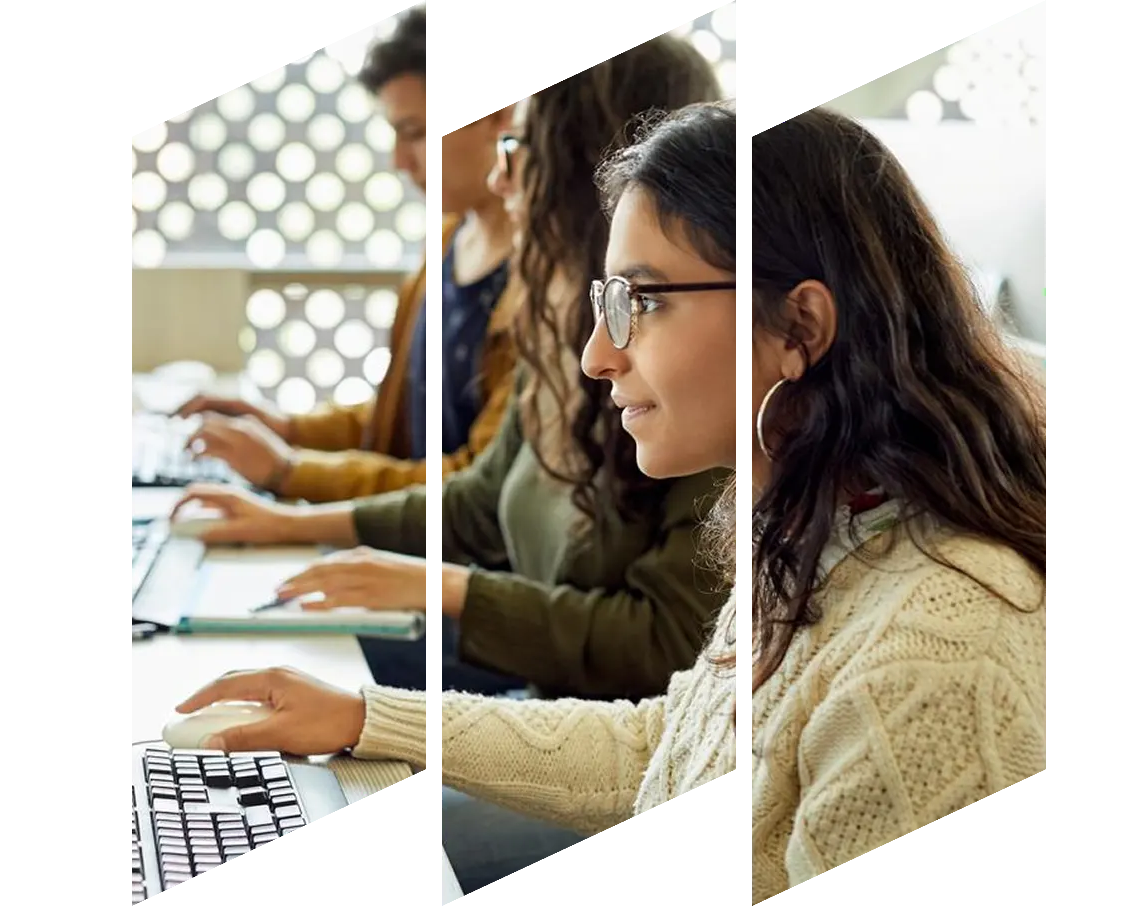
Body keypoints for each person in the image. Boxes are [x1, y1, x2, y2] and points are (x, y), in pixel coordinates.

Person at [176, 104, 1048, 899]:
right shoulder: (818, 528)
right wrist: (368, 717)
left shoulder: (936, 660)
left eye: (644, 301)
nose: (598, 354)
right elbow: (674, 748)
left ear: (799, 329)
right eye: (606, 301)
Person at [172, 34, 728, 702]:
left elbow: (664, 653)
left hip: (592, 732)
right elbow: (473, 499)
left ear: (594, 172)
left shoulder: (702, 377)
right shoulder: (557, 325)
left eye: (518, 148)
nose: (501, 176)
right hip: (555, 705)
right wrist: (290, 513)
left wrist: (433, 584)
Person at [173, 9, 522, 504]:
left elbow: (477, 489)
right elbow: (397, 423)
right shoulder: (445, 246)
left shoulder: (540, 284)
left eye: (419, 133)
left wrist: (291, 471)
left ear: (499, 114)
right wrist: (287, 428)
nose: (399, 162)